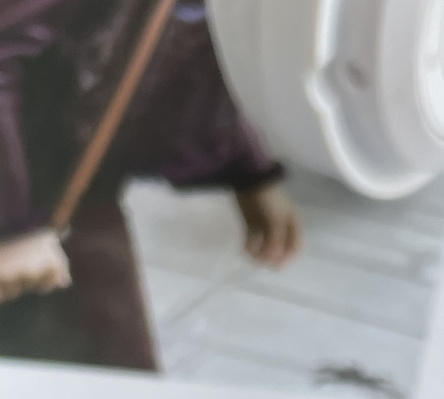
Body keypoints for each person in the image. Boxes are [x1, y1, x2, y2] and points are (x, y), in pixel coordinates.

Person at [0, 0, 301, 370]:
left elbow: (179, 37)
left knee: (104, 376)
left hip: (64, 185)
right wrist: (12, 221)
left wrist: (246, 168)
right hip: (27, 187)